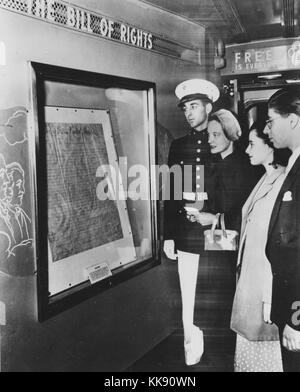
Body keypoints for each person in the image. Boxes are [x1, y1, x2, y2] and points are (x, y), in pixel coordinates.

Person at [163, 78, 220, 365]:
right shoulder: (179, 146)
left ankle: (218, 344)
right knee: (188, 293)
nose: (188, 112)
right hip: (187, 230)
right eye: (185, 107)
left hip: (217, 229)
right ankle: (191, 348)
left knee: (216, 288)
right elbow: (171, 193)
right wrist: (169, 234)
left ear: (208, 108)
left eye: (194, 106)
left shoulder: (221, 142)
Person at [230, 120, 290, 372]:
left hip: (266, 293)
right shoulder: (267, 178)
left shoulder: (284, 182)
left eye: (252, 144)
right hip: (251, 287)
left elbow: (281, 247)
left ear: (270, 146)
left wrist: (270, 297)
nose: (246, 150)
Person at [264, 87, 300, 372]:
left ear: (293, 120)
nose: (267, 129)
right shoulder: (294, 163)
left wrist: (297, 319)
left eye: (271, 120)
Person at [189, 109, 261, 232]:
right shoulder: (206, 165)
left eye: (216, 134)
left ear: (230, 134)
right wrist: (196, 214)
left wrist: (215, 219)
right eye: (208, 134)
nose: (209, 140)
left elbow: (251, 214)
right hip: (210, 240)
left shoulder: (249, 168)